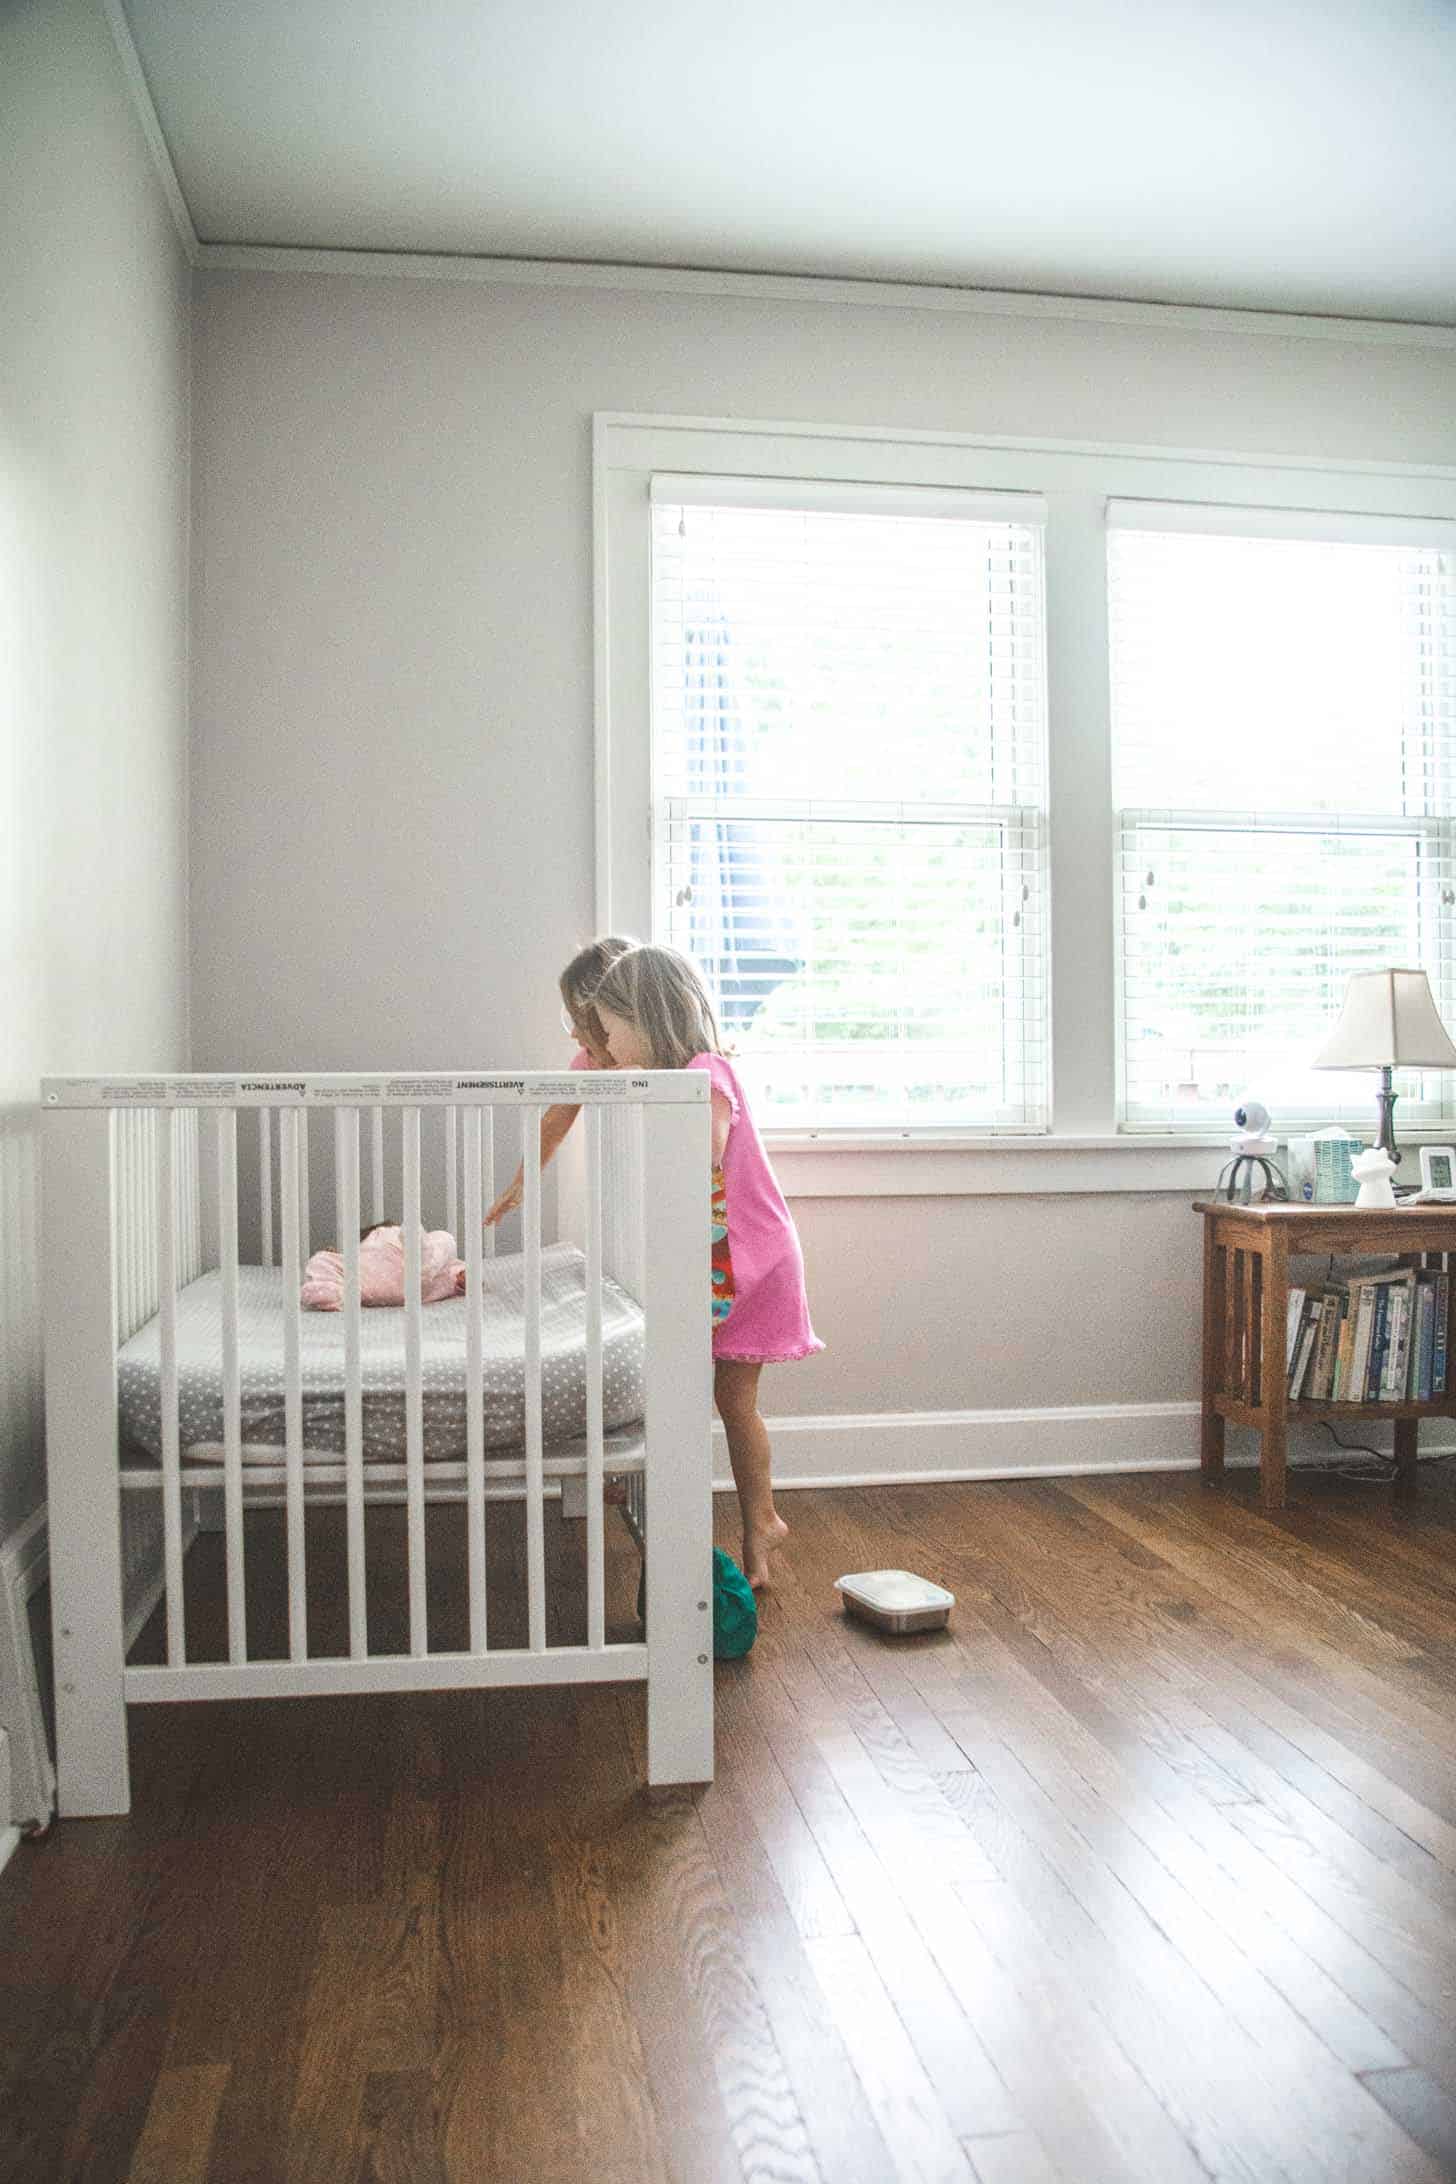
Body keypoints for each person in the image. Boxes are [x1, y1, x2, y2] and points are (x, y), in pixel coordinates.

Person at [589, 943, 822, 1589]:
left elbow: (705, 1152)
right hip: (727, 1260)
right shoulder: (680, 1076)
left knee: (732, 1400)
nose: (606, 1048)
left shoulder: (706, 1071)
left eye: (611, 1032)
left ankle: (760, 1516)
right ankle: (761, 1526)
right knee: (723, 1397)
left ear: (645, 1018)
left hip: (751, 1261)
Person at [483, 936, 635, 1228]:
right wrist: (522, 1182)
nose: (573, 1034)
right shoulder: (589, 1063)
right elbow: (553, 1125)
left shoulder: (666, 1067)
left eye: (580, 1021)